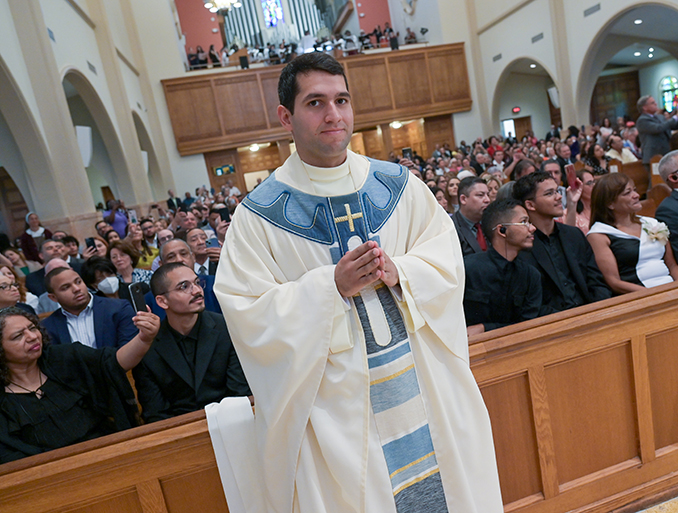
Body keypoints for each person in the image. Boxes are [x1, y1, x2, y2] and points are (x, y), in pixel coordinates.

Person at [210, 53, 503, 513]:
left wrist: (400, 271)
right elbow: (247, 311)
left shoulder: (399, 186)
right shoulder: (258, 216)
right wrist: (331, 286)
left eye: (341, 100)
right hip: (337, 407)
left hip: (421, 382)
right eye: (315, 103)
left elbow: (446, 260)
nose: (333, 114)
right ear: (286, 116)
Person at [0, 307, 159, 463]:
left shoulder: (65, 357)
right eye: (18, 336)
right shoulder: (3, 402)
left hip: (110, 454)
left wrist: (144, 338)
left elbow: (113, 364)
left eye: (32, 328)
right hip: (53, 477)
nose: (32, 336)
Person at [132, 263, 249, 423]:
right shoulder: (149, 345)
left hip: (233, 422)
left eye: (197, 283)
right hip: (178, 433)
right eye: (184, 287)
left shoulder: (226, 327)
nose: (197, 291)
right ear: (162, 301)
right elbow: (155, 414)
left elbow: (239, 393)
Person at [513, 172, 611, 313]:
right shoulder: (521, 246)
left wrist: (600, 309)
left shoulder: (573, 235)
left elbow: (596, 281)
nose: (559, 197)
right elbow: (529, 304)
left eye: (557, 191)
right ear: (530, 205)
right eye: (549, 193)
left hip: (592, 312)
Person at [587, 173, 678, 294]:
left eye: (634, 190)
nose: (636, 195)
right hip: (640, 295)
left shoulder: (651, 223)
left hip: (669, 287)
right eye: (627, 193)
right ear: (610, 204)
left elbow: (672, 266)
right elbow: (614, 282)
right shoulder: (600, 234)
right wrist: (655, 294)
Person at [463, 199, 542, 335]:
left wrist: (485, 328)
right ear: (502, 230)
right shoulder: (468, 269)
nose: (532, 228)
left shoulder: (530, 275)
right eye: (523, 222)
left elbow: (528, 325)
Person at [42, 267, 141, 348]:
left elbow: (130, 350)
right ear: (53, 297)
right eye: (66, 287)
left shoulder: (118, 308)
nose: (76, 289)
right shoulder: (48, 326)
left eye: (78, 282)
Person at [144, 239, 221, 318]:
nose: (179, 259)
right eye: (171, 257)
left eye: (183, 254)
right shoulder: (151, 298)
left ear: (193, 257)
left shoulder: (215, 283)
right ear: (161, 264)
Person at [636, 95, 678, 164]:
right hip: (653, 156)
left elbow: (672, 126)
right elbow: (659, 128)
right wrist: (677, 116)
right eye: (652, 103)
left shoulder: (660, 117)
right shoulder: (642, 120)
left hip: (666, 153)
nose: (656, 104)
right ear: (644, 107)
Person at [452, 177, 492, 256]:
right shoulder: (451, 228)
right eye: (480, 195)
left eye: (488, 195)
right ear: (463, 199)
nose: (487, 200)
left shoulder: (492, 222)